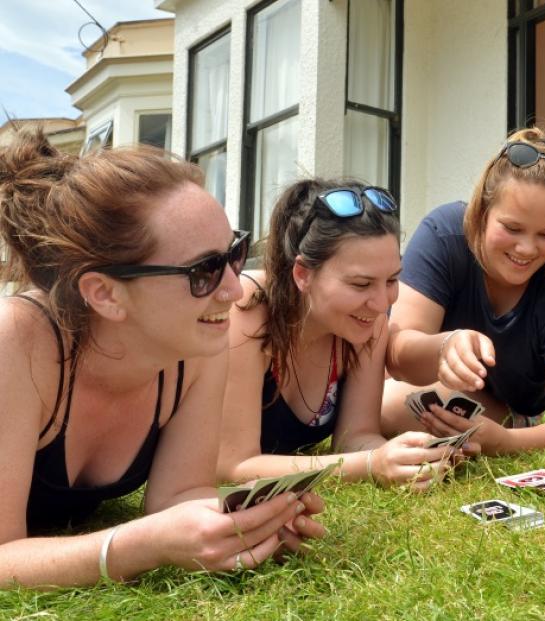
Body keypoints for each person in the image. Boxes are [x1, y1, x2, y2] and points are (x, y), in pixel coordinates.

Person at [0, 133, 324, 588]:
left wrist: (240, 521)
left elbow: (179, 495)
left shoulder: (196, 344)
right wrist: (140, 545)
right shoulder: (17, 343)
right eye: (203, 271)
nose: (233, 288)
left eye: (233, 255)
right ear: (106, 294)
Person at [218, 179, 461, 490]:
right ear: (303, 274)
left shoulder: (366, 321)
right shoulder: (248, 307)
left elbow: (356, 438)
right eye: (361, 284)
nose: (382, 302)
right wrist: (372, 464)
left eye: (392, 279)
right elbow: (233, 465)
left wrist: (414, 456)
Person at [381, 128, 545, 455]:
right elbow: (395, 352)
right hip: (428, 388)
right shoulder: (444, 234)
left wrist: (504, 441)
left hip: (513, 413)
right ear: (482, 211)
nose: (526, 249)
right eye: (512, 228)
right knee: (387, 402)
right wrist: (443, 347)